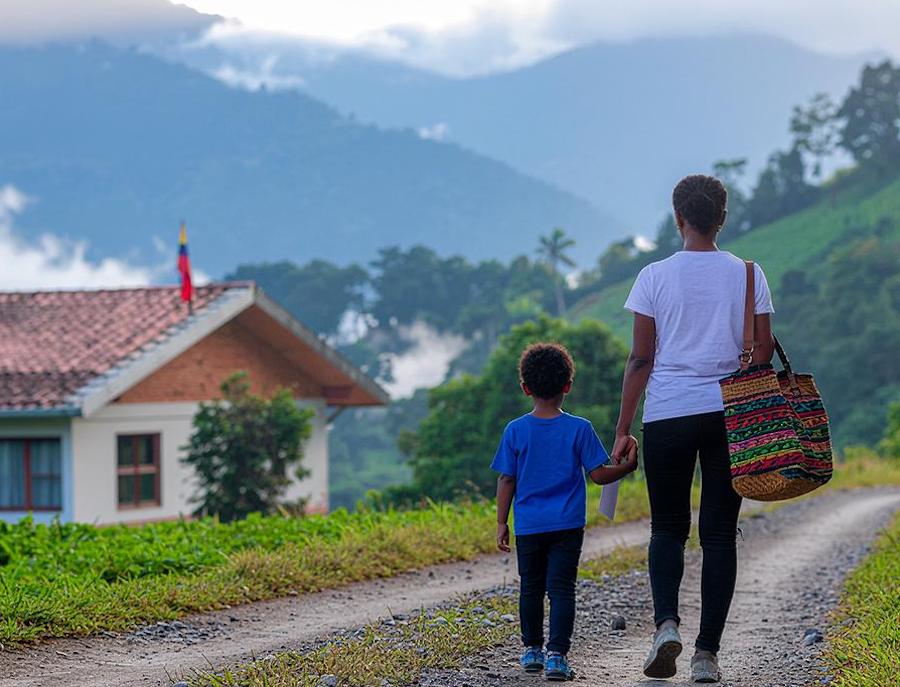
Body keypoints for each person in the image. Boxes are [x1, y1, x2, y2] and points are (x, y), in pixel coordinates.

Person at [612, 174, 775, 683]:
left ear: (678, 217)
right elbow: (763, 352)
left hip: (668, 414)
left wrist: (622, 427)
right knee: (720, 533)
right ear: (721, 218)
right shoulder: (749, 274)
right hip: (731, 415)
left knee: (667, 528)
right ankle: (706, 656)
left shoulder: (653, 276)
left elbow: (641, 358)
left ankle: (666, 626)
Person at [493, 342, 639, 681]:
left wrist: (502, 522)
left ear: (525, 388)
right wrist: (628, 468)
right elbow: (599, 475)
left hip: (529, 526)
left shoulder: (515, 430)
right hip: (567, 525)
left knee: (530, 587)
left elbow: (506, 479)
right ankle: (557, 657)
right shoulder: (580, 428)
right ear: (567, 386)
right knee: (561, 589)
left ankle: (532, 650)